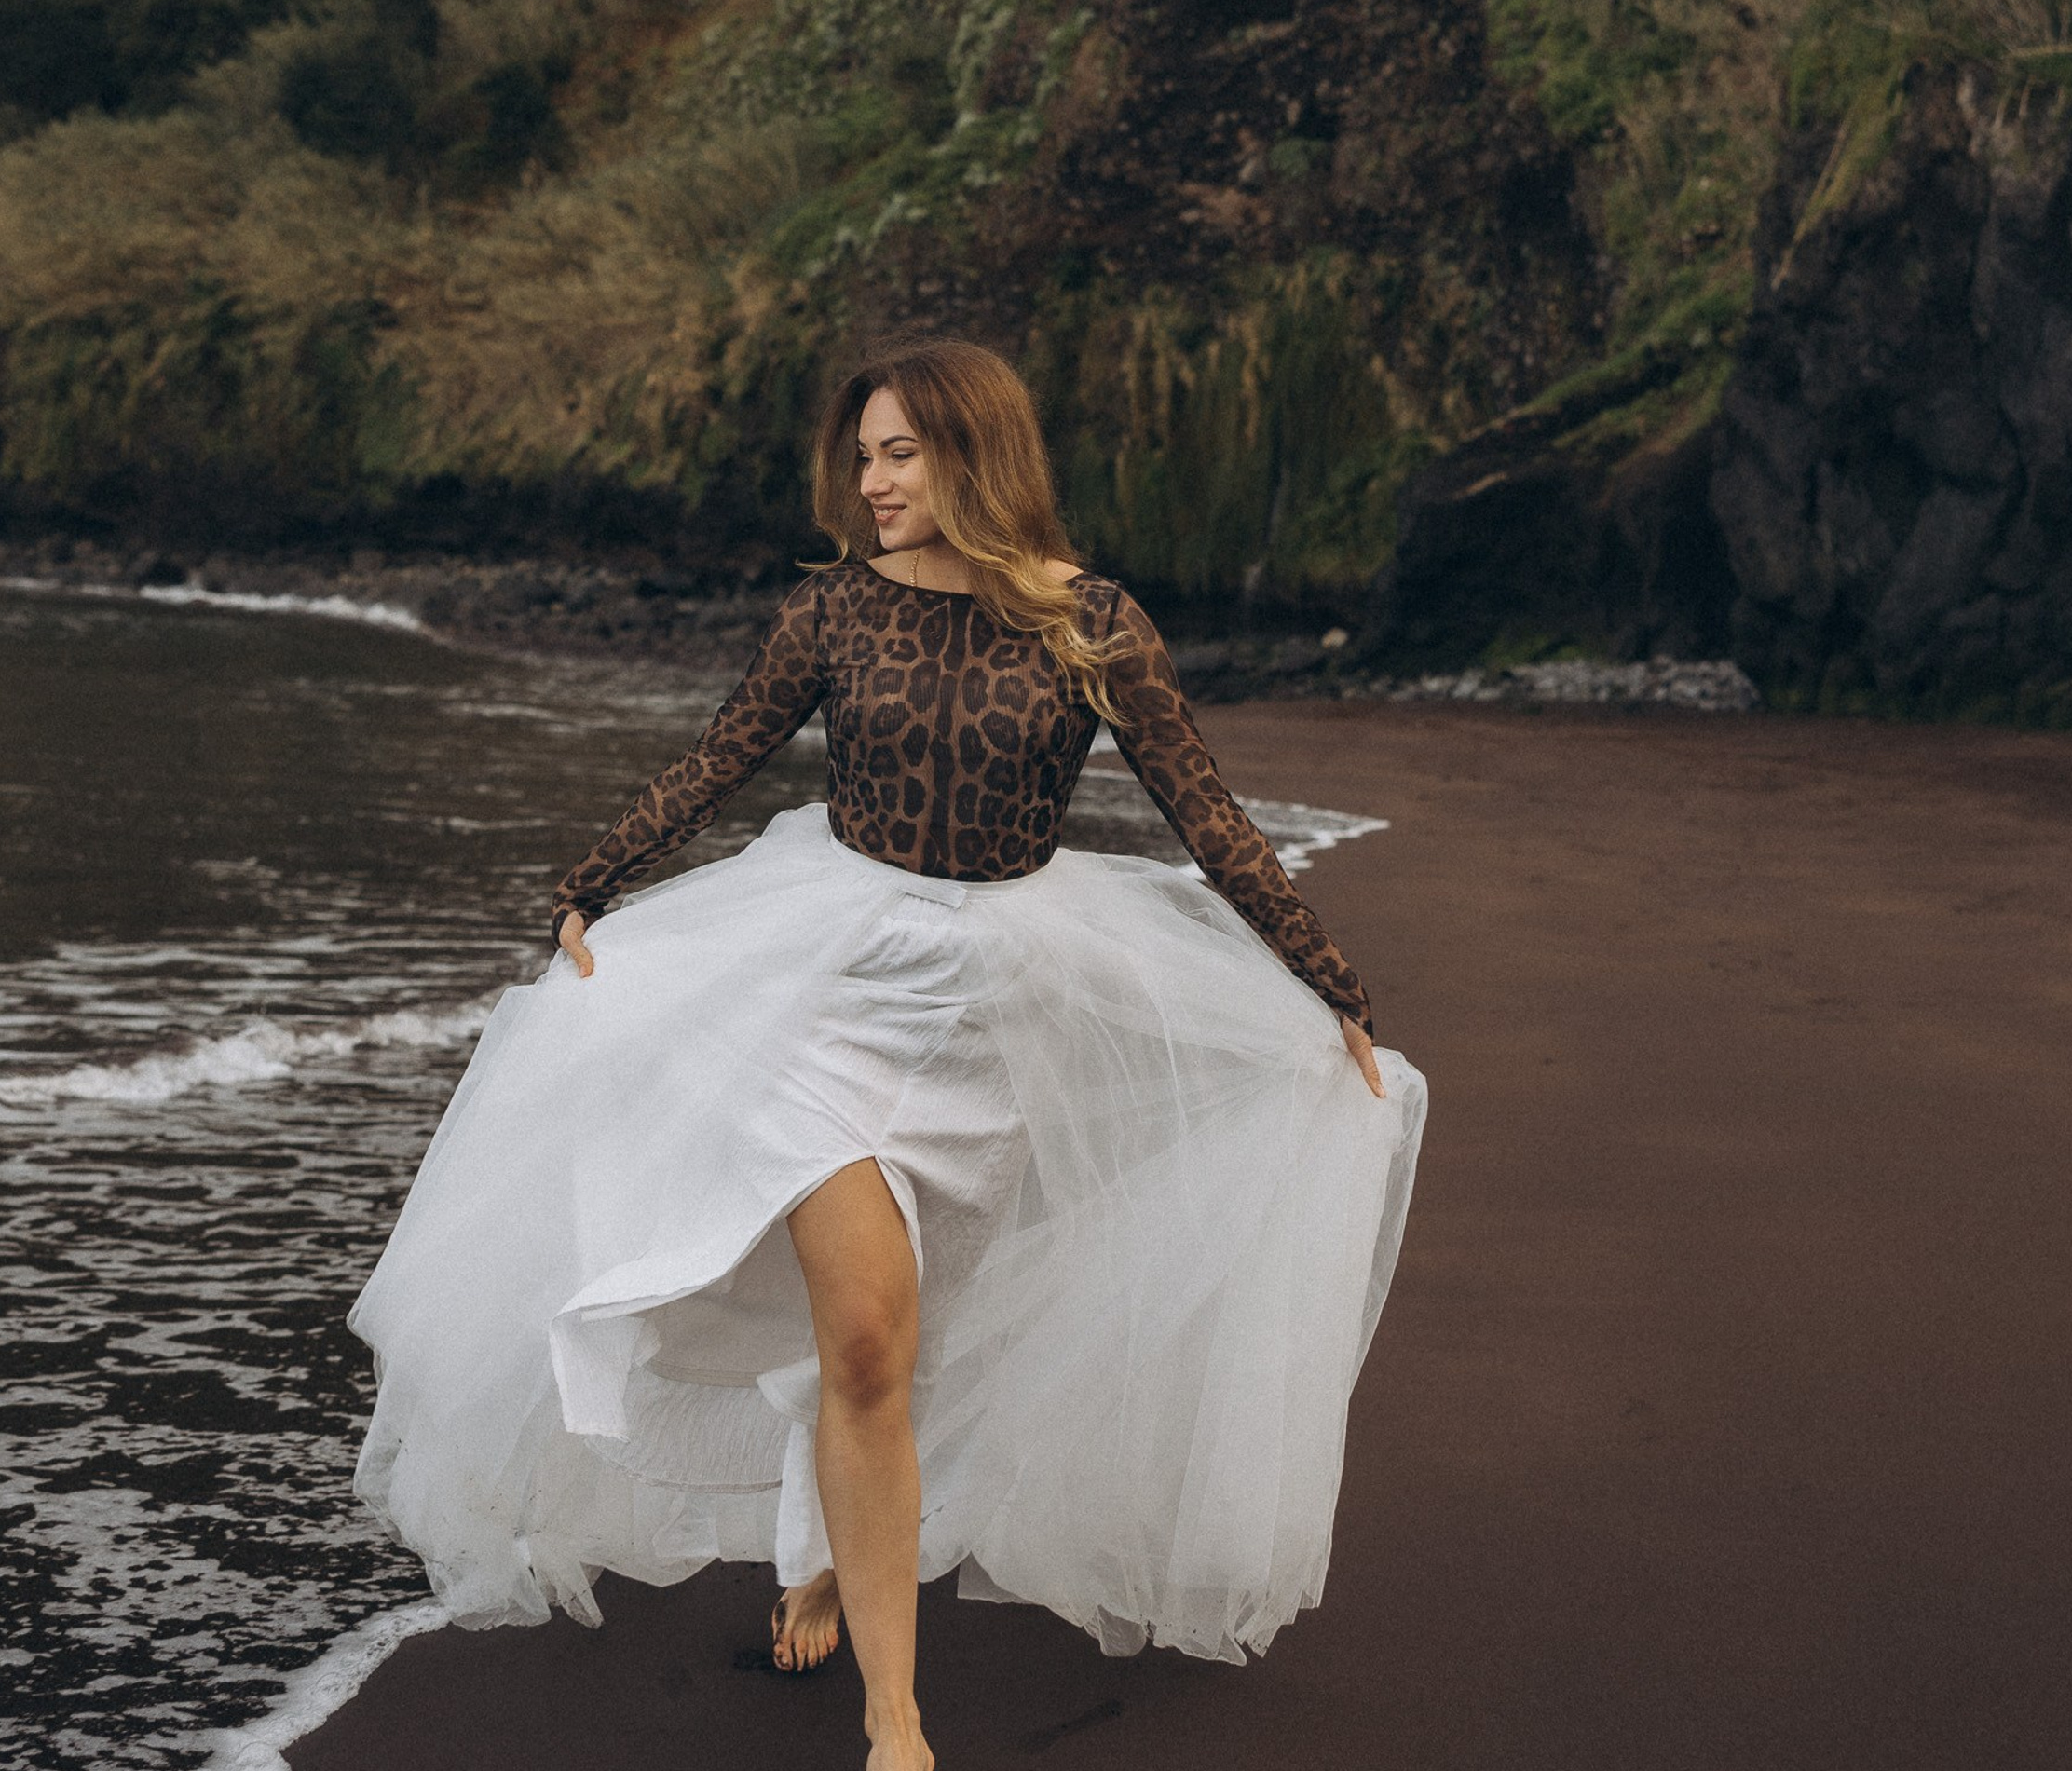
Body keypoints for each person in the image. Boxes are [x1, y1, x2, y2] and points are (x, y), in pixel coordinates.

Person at [351, 339, 1424, 1771]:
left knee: (908, 1351)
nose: (870, 481)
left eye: (900, 453)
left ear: (976, 452)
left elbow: (1208, 815)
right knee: (863, 1333)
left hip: (993, 1019)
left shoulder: (1092, 622)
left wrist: (1330, 981)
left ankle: (820, 1554)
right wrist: (590, 881)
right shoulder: (835, 612)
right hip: (829, 993)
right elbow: (721, 755)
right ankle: (895, 1718)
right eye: (862, 456)